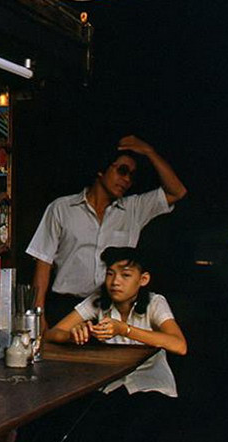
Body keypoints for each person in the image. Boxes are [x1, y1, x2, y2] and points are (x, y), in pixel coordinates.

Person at [40, 246, 187, 442]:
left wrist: (126, 330)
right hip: (109, 388)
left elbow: (179, 345)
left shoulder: (155, 304)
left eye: (125, 274)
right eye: (110, 273)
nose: (115, 281)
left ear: (142, 279)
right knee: (74, 432)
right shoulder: (97, 302)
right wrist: (73, 333)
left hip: (151, 388)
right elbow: (53, 334)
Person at [26, 136, 187, 327]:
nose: (127, 180)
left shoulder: (134, 209)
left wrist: (149, 151)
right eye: (122, 171)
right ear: (101, 170)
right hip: (65, 307)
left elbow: (177, 192)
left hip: (112, 310)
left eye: (132, 176)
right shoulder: (62, 208)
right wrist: (39, 314)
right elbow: (43, 262)